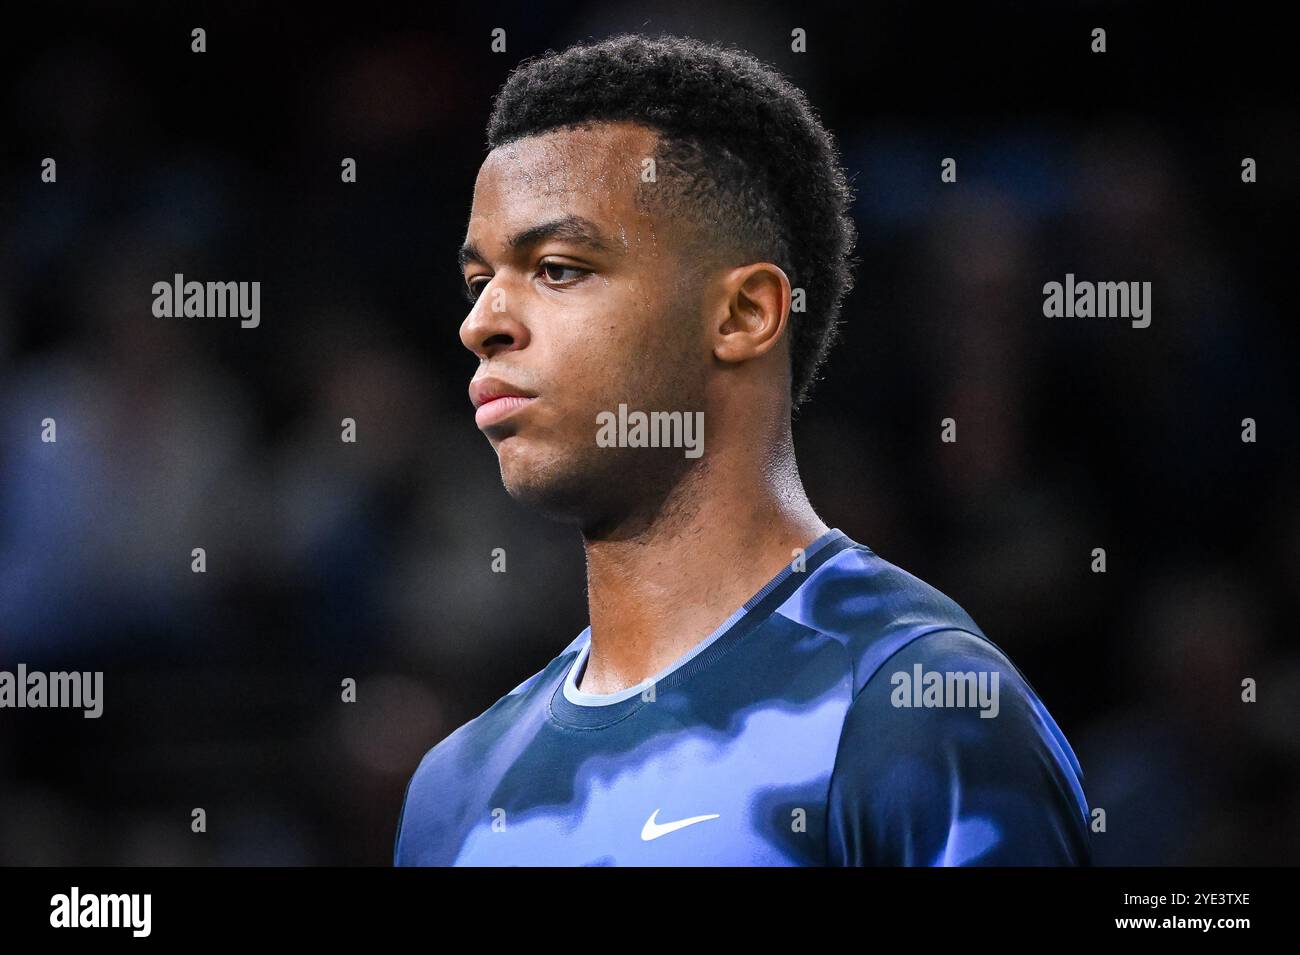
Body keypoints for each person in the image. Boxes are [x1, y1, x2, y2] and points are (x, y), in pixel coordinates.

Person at [394, 33, 1091, 865]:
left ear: (744, 315)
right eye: (479, 283)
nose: (481, 323)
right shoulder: (455, 791)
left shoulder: (916, 709)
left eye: (557, 267)